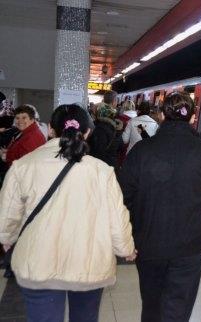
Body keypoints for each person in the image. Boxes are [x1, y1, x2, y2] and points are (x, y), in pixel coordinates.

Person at [0, 104, 135, 321]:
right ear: (88, 132)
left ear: (51, 130)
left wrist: (6, 238)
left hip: (38, 263)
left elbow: (6, 216)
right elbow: (116, 218)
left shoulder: (22, 166)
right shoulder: (102, 172)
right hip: (88, 263)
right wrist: (125, 248)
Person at [119, 92, 201, 322]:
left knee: (152, 305)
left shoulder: (141, 151)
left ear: (162, 115)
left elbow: (124, 195)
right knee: (178, 308)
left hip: (149, 242)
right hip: (189, 244)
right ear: (193, 118)